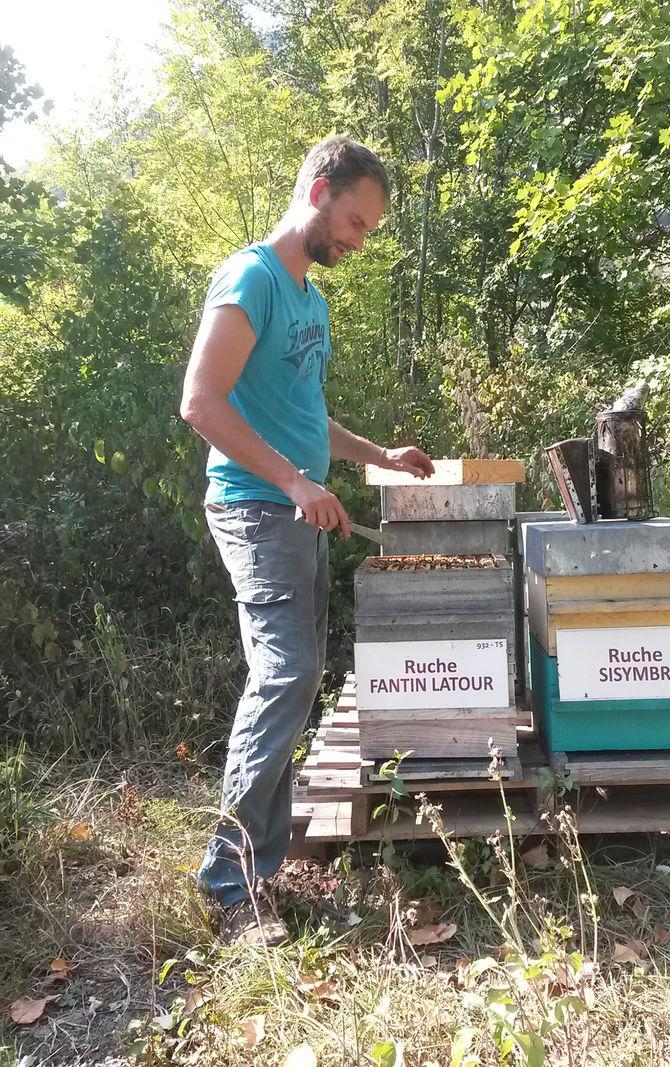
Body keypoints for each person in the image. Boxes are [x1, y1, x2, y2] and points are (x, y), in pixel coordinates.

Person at [180, 137, 434, 945]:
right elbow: (201, 401)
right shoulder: (251, 275)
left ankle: (261, 864)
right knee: (286, 675)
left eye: (367, 230)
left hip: (295, 508)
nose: (358, 242)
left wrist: (376, 457)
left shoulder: (310, 301)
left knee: (298, 677)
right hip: (258, 508)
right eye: (355, 221)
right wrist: (293, 481)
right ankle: (229, 883)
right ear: (319, 191)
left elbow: (304, 415)